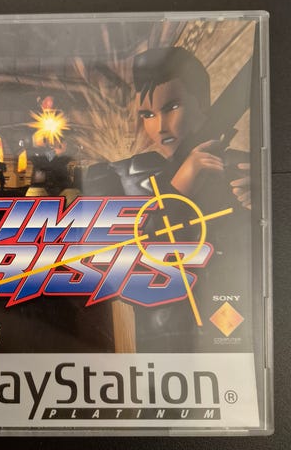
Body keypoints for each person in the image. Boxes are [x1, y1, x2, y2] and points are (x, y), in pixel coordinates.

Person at [85, 47, 251, 352]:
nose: (159, 126)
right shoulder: (117, 177)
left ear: (202, 106)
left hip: (235, 334)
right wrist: (178, 187)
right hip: (159, 344)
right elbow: (112, 268)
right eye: (147, 114)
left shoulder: (242, 168)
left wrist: (260, 206)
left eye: (172, 106)